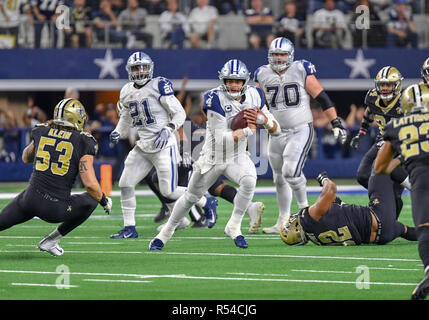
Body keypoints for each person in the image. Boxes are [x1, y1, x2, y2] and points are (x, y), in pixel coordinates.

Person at [149, 59, 281, 251]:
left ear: (245, 81)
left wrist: (264, 120)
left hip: (237, 155)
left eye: (237, 81)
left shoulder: (256, 94)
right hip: (213, 156)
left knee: (250, 180)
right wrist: (249, 131)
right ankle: (166, 232)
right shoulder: (214, 98)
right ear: (223, 80)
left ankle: (234, 225)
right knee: (191, 197)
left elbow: (276, 130)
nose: (233, 85)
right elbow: (220, 139)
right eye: (229, 81)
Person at [109, 51, 218, 239]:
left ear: (150, 68)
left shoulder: (158, 84)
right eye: (137, 68)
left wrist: (168, 129)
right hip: (143, 146)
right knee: (125, 183)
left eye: (144, 67)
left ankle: (206, 202)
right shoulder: (126, 90)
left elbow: (179, 114)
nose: (141, 71)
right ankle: (129, 228)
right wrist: (119, 131)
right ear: (130, 70)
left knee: (169, 191)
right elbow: (126, 116)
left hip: (164, 145)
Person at [253, 37, 347, 234]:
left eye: (282, 54)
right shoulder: (261, 74)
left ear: (290, 55)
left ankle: (305, 216)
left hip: (300, 128)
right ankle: (283, 220)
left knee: (291, 170)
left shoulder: (301, 68)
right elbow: (257, 104)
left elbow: (321, 96)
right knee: (278, 177)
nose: (278, 58)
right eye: (275, 54)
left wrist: (335, 121)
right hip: (276, 131)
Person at [0, 98, 112, 256]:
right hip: (55, 208)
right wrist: (104, 201)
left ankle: (50, 242)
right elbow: (90, 184)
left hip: (29, 200)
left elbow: (25, 158)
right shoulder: (83, 141)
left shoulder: (42, 131)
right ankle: (51, 240)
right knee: (92, 200)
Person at [374, 77, 429, 300]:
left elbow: (380, 167)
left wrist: (405, 157)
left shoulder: (397, 126)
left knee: (425, 228)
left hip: (422, 179)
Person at [280, 171, 416, 246]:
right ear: (295, 227)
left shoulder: (318, 240)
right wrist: (324, 179)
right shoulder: (309, 217)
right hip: (378, 216)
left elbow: (338, 212)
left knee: (408, 231)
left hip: (382, 237)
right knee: (382, 165)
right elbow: (331, 190)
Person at [350, 66, 411, 193]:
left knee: (393, 170)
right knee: (362, 176)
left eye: (388, 85)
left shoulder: (406, 101)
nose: (384, 88)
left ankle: (417, 190)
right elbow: (368, 113)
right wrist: (361, 133)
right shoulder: (372, 97)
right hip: (383, 140)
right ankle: (386, 195)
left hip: (403, 143)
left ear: (397, 85)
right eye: (382, 84)